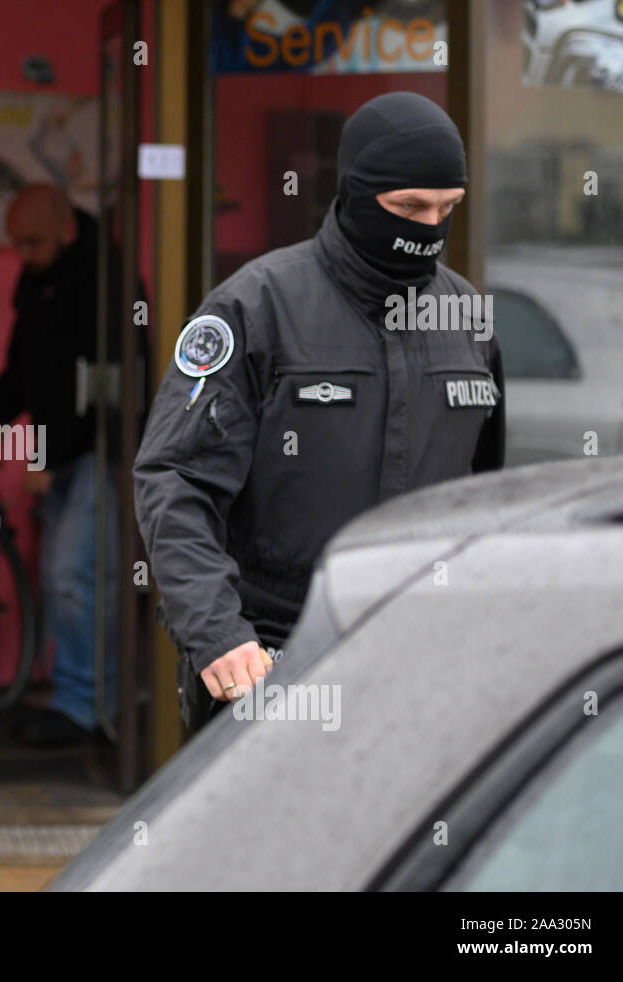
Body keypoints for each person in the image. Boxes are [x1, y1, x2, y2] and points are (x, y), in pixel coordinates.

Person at [134, 92, 503, 730]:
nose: (429, 227)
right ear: (356, 195)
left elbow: (484, 499)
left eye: (448, 209)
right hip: (272, 662)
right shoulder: (255, 308)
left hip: (420, 665)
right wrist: (217, 632)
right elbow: (176, 480)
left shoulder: (467, 319)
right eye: (409, 208)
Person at [0, 184, 143, 746]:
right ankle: (78, 697)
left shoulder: (106, 279)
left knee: (75, 577)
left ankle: (88, 705)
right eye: (18, 244)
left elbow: (104, 384)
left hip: (100, 450)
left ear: (65, 228)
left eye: (32, 242)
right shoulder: (43, 274)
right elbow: (25, 358)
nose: (23, 255)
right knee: (64, 575)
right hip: (63, 451)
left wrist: (52, 458)